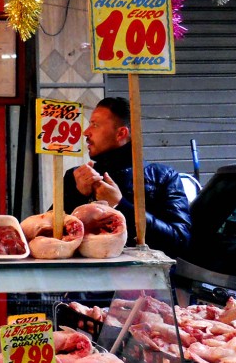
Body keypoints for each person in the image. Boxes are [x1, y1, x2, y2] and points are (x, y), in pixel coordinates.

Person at [62, 96, 191, 259]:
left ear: (121, 133)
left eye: (95, 124)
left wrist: (120, 205)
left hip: (144, 280)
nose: (86, 132)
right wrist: (76, 195)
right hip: (87, 279)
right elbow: (51, 237)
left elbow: (179, 241)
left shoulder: (163, 177)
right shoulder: (76, 177)